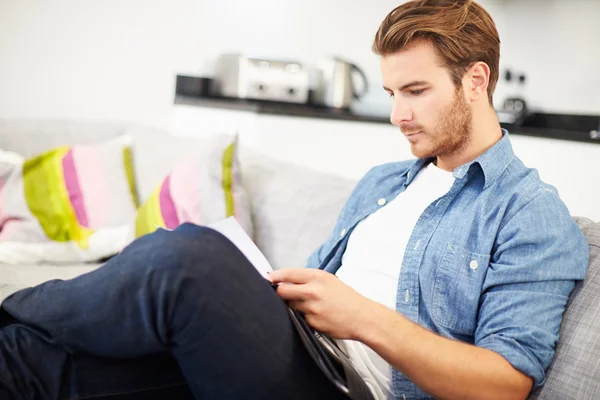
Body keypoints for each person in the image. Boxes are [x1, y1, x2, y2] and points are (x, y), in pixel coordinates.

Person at [0, 0, 589, 399]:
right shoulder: (385, 183)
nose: (397, 115)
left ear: (477, 81)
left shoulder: (530, 213)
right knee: (34, 364)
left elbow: (506, 383)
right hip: (297, 350)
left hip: (344, 387)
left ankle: (16, 304)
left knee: (190, 259)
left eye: (415, 91)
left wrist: (363, 319)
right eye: (390, 92)